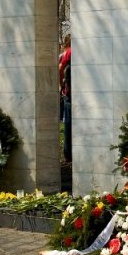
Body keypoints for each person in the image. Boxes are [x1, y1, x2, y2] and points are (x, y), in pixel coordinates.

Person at [59, 34, 72, 162]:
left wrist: (60, 83)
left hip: (68, 92)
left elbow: (61, 67)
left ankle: (68, 154)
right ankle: (69, 153)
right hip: (70, 91)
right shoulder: (70, 52)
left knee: (68, 123)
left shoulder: (68, 52)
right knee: (68, 123)